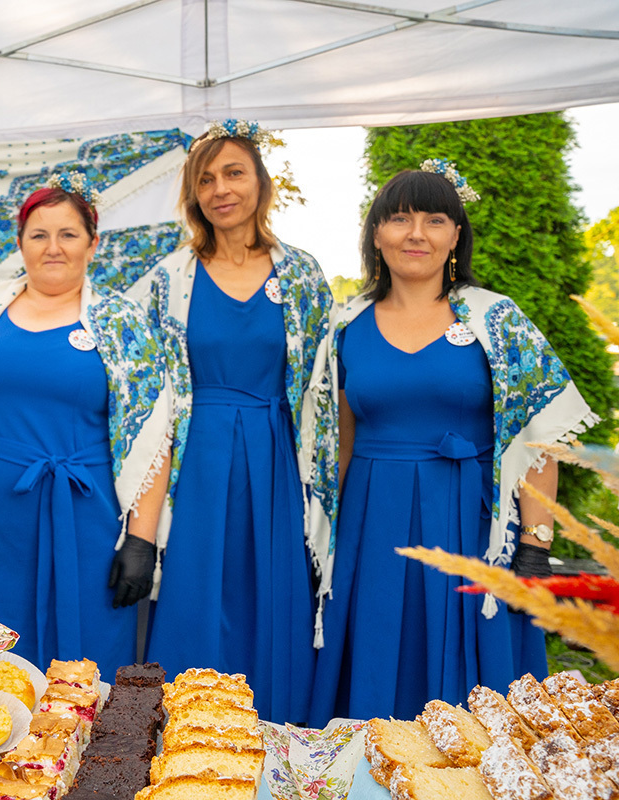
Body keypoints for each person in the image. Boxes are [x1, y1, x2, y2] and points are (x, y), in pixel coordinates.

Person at [307, 161, 597, 724]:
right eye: (400, 219)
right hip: (372, 527)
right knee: (373, 663)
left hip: (472, 521)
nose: (416, 233)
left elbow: (535, 441)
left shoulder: (498, 320)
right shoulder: (344, 327)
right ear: (375, 234)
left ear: (455, 235)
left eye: (435, 219)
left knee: (475, 693)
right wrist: (322, 541)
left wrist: (535, 548)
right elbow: (336, 446)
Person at [0, 175, 171, 680]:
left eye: (68, 234)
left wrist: (142, 541)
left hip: (87, 523)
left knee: (84, 665)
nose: (53, 247)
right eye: (39, 234)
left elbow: (154, 436)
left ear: (93, 243)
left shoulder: (121, 322)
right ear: (20, 243)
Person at [144, 120, 333, 724]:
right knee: (193, 595)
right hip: (195, 458)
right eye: (206, 178)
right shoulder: (167, 279)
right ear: (193, 194)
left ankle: (278, 744)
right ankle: (187, 748)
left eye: (234, 172)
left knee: (275, 601)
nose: (220, 188)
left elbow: (326, 392)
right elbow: (144, 392)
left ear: (261, 182)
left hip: (276, 454)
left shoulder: (302, 274)